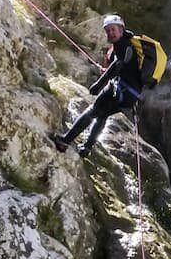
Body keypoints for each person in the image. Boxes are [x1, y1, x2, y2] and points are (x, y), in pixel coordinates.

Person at [51, 14, 162, 159]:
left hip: (121, 90)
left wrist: (99, 84)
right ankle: (87, 148)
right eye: (108, 30)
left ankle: (65, 140)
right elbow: (124, 67)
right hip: (130, 96)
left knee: (92, 111)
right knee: (102, 115)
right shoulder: (127, 44)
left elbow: (117, 65)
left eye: (113, 30)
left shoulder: (123, 44)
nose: (110, 33)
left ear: (121, 29)